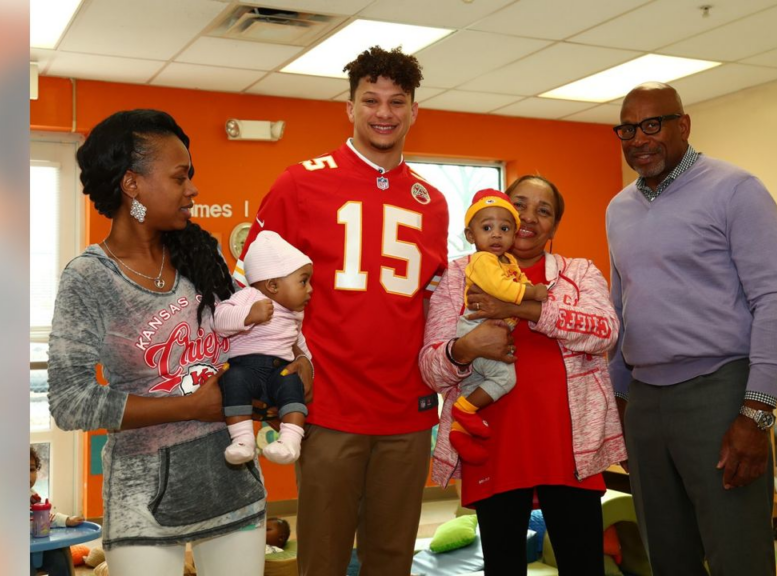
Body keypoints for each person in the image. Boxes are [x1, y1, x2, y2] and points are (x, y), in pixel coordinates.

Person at [234, 45, 449, 576]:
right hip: (327, 403)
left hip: (408, 407)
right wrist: (272, 370)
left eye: (397, 101)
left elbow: (435, 302)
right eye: (370, 100)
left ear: (415, 111)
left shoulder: (433, 201)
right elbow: (251, 292)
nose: (384, 113)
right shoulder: (299, 183)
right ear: (349, 107)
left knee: (393, 559)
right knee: (323, 560)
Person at [48, 109, 272, 576]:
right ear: (132, 184)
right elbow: (70, 401)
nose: (193, 189)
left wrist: (286, 369)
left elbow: (246, 332)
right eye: (179, 176)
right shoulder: (90, 278)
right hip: (142, 495)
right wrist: (190, 406)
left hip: (231, 477)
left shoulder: (201, 252)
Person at [606, 82, 777, 576]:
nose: (639, 139)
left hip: (718, 395)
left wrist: (756, 413)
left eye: (653, 125)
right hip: (645, 401)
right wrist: (620, 403)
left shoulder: (736, 190)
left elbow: (776, 301)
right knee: (667, 557)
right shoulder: (618, 209)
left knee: (738, 556)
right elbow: (621, 310)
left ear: (684, 125)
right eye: (627, 129)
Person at [421, 175, 626, 576]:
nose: (529, 217)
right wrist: (466, 348)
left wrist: (520, 309)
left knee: (583, 565)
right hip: (493, 446)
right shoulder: (459, 275)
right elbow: (430, 366)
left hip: (570, 449)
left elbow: (605, 330)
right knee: (503, 566)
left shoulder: (577, 272)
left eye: (543, 210)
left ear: (554, 226)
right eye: (519, 205)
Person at [449, 189, 548, 464]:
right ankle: (463, 410)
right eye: (487, 228)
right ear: (470, 236)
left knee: (475, 382)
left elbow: (518, 281)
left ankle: (458, 432)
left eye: (504, 229)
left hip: (492, 328)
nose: (495, 235)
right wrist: (532, 293)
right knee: (504, 379)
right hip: (477, 328)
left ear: (514, 234)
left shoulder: (508, 261)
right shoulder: (483, 260)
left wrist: (527, 290)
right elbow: (500, 288)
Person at [214, 230, 313, 465]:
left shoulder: (295, 314)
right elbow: (218, 320)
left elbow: (300, 345)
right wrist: (248, 315)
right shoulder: (249, 296)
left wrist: (308, 367)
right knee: (233, 379)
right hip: (246, 370)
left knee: (292, 384)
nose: (310, 289)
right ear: (272, 285)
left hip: (280, 371)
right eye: (303, 281)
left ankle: (290, 441)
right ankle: (242, 441)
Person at [30, 446, 84, 576]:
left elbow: (45, 518)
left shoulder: (33, 497)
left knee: (60, 558)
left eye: (31, 469)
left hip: (38, 548)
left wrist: (66, 520)